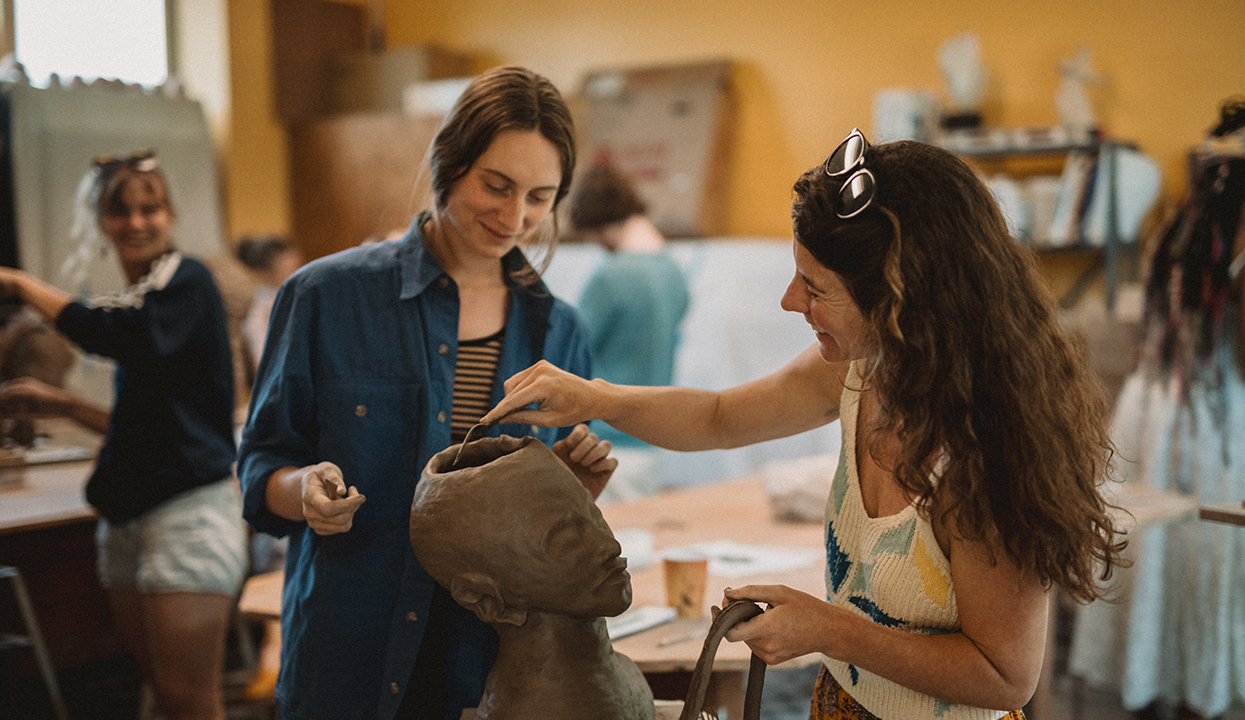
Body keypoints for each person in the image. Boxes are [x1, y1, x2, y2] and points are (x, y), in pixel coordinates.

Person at [481, 129, 1126, 719]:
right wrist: (595, 397)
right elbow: (719, 416)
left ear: (900, 301)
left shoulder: (982, 456)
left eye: (816, 288)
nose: (792, 302)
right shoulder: (861, 371)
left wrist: (826, 628)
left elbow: (1004, 675)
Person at [236, 65, 616, 720]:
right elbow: (259, 467)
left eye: (538, 196)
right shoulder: (324, 296)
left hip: (491, 663)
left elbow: (544, 534)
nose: (514, 215)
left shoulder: (560, 331)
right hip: (348, 654)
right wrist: (303, 494)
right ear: (448, 161)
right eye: (495, 186)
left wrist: (574, 494)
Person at [0, 149, 246, 720]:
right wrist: (59, 404)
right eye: (120, 210)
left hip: (187, 515)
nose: (136, 222)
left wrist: (18, 284)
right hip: (128, 518)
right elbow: (152, 426)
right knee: (163, 697)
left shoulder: (185, 281)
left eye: (150, 207)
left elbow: (112, 331)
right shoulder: (148, 299)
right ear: (101, 221)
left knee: (190, 703)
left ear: (171, 214)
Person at [410, 434, 653, 719]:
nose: (610, 545)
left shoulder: (626, 679)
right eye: (566, 540)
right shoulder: (529, 711)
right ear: (485, 597)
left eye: (593, 514)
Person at [566, 162, 690, 503]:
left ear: (598, 226)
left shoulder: (612, 277)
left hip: (605, 440)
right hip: (652, 438)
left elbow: (572, 349)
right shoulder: (673, 272)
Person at [234, 234, 303, 375]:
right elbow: (260, 361)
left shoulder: (294, 295)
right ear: (263, 272)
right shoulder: (259, 306)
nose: (299, 272)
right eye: (289, 267)